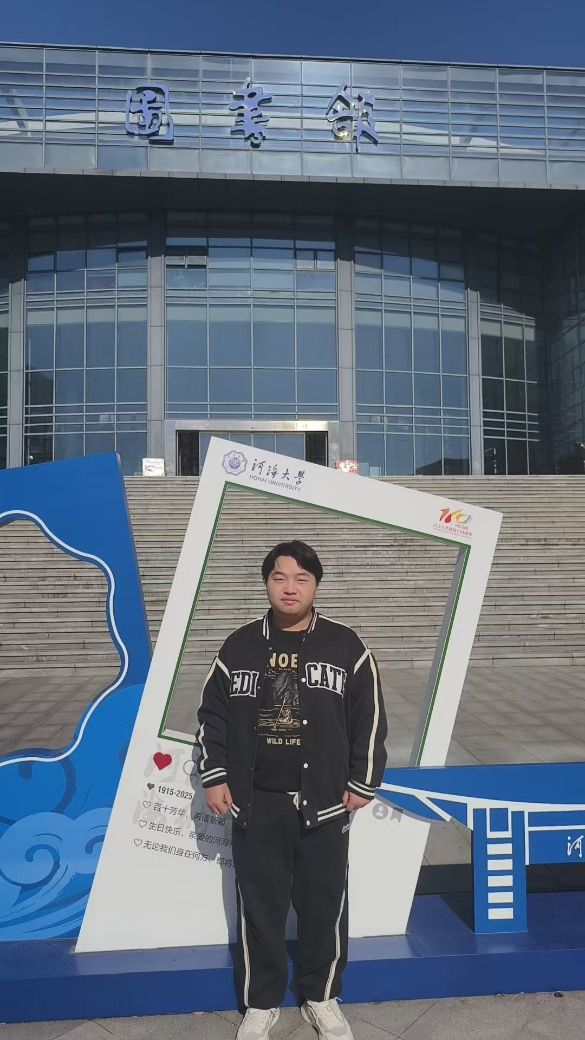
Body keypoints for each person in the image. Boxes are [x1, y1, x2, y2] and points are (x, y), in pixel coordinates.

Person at [196, 540, 387, 1040]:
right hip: (256, 804)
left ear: (316, 585)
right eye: (279, 577)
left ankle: (321, 996)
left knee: (324, 907)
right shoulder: (238, 647)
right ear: (266, 582)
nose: (290, 588)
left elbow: (369, 719)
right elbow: (212, 717)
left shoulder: (346, 647)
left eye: (302, 578)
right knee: (260, 911)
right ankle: (261, 1003)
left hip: (324, 805)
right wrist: (215, 775)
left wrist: (363, 781)